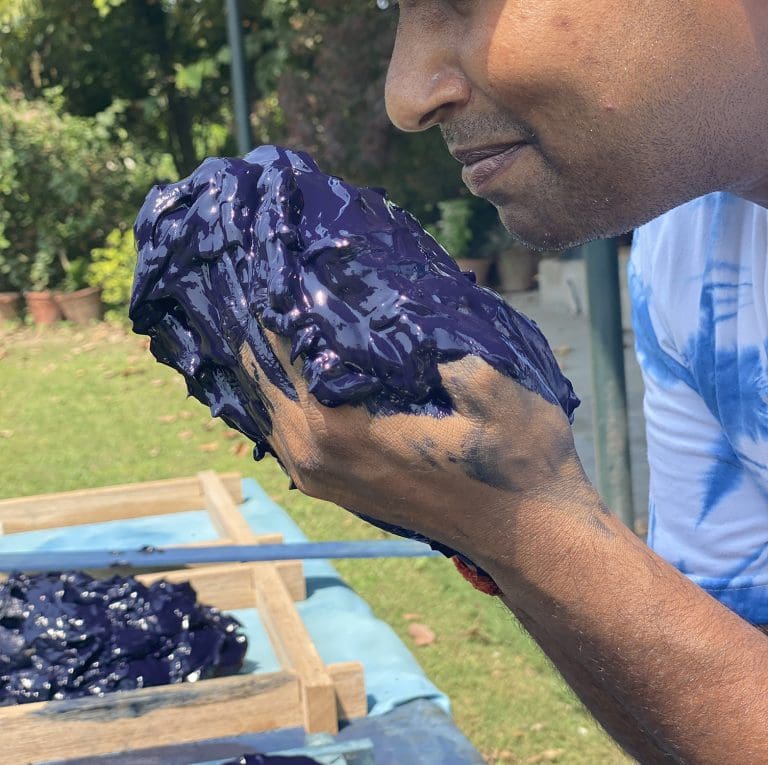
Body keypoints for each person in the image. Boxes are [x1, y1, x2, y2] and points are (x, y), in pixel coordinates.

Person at [256, 3, 768, 762]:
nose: (406, 96)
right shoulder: (688, 257)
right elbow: (725, 681)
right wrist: (515, 517)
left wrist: (527, 532)